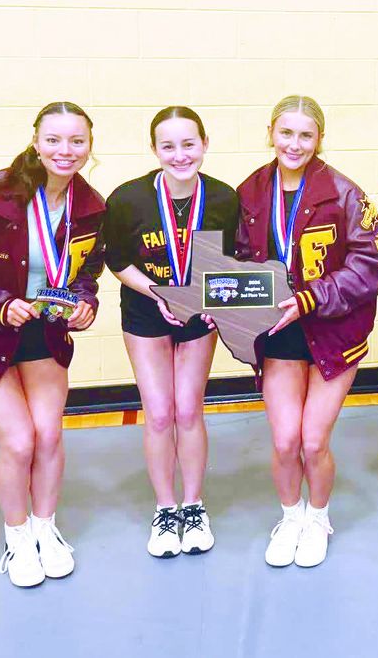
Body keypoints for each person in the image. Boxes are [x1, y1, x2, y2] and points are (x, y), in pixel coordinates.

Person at [0, 102, 106, 586]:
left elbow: (87, 272)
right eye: (53, 139)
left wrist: (84, 304)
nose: (65, 151)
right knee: (19, 439)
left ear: (90, 146)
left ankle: (45, 529)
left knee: (49, 435)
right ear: (35, 141)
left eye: (77, 141)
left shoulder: (92, 206)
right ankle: (16, 538)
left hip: (42, 330)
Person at [235, 95, 378, 568]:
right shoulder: (249, 191)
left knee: (313, 440)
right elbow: (235, 260)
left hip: (333, 333)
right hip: (277, 333)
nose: (294, 144)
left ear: (319, 138)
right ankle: (291, 516)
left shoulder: (346, 193)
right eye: (286, 133)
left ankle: (318, 517)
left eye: (305, 134)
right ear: (270, 133)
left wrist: (311, 297)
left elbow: (371, 265)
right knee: (284, 440)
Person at [102, 106, 239, 558]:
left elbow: (228, 262)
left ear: (204, 145)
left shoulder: (223, 198)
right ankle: (165, 510)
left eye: (188, 144)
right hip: (145, 313)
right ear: (154, 150)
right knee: (158, 413)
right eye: (168, 146)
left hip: (200, 317)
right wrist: (157, 291)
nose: (180, 155)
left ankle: (194, 505)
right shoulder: (128, 199)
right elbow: (117, 260)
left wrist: (221, 304)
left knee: (188, 410)